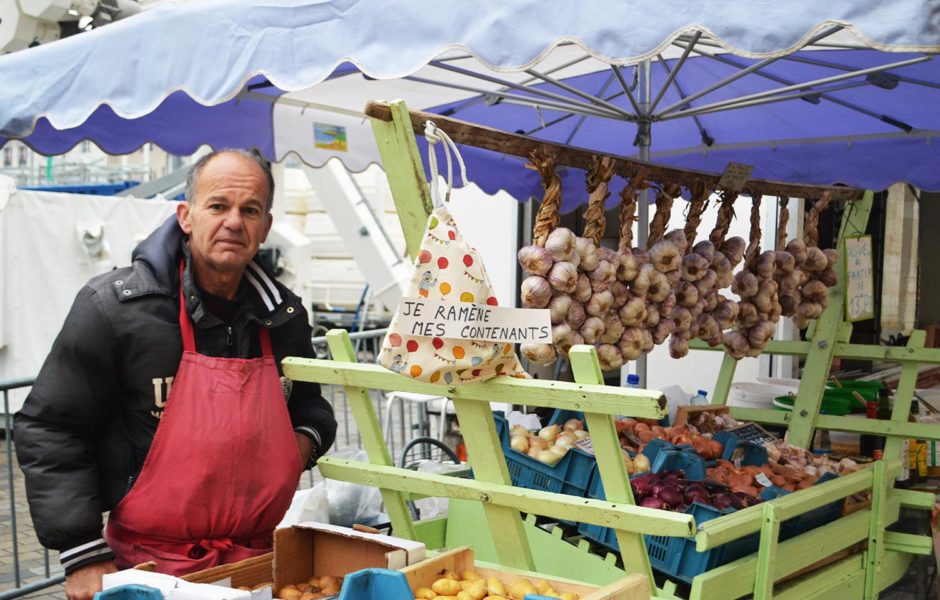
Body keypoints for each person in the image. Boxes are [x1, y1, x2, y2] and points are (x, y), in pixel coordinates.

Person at [14, 149, 337, 600]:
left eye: (250, 210)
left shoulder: (283, 317)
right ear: (186, 216)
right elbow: (50, 427)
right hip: (143, 570)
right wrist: (83, 554)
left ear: (265, 226)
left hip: (260, 565)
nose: (234, 222)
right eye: (218, 206)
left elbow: (312, 405)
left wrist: (299, 444)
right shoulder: (115, 308)